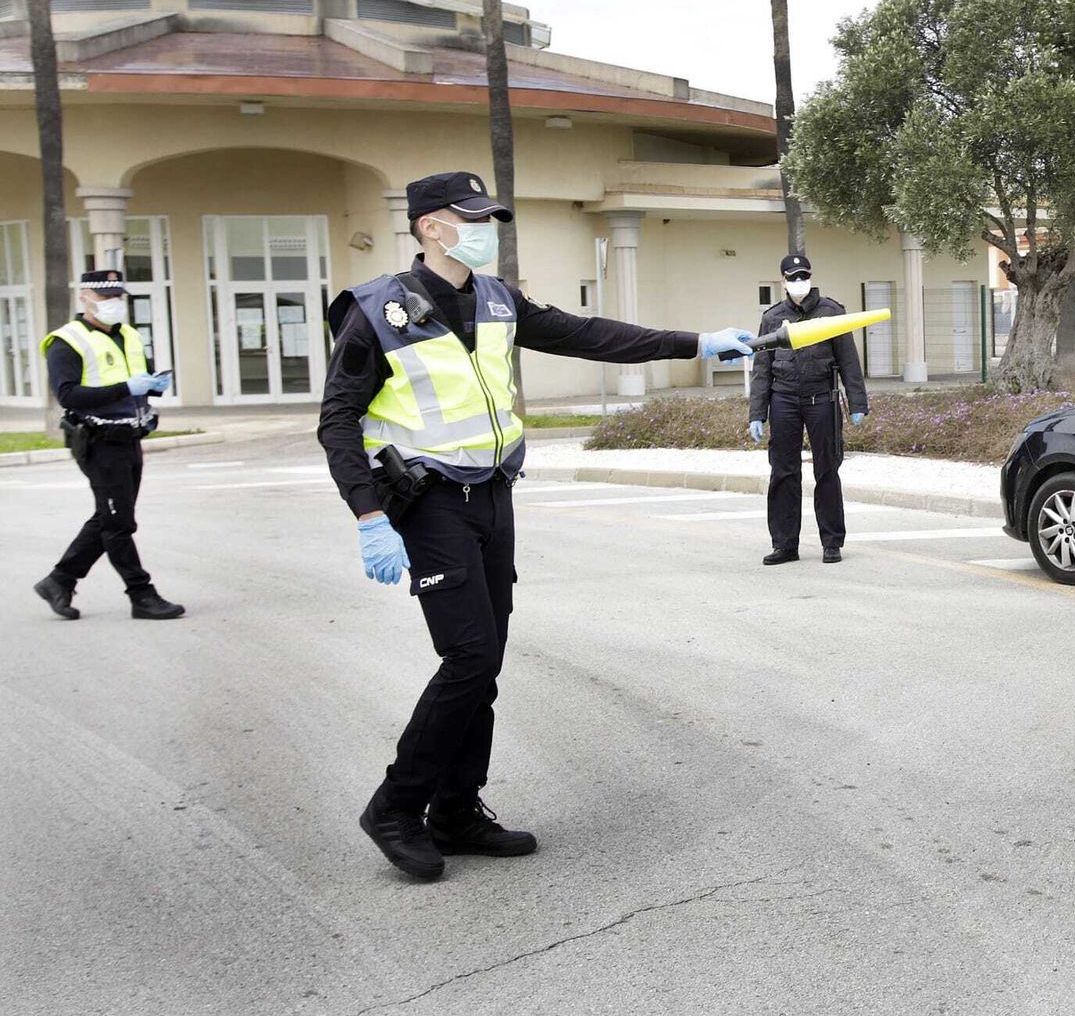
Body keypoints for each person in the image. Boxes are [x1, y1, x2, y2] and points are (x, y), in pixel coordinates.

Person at [319, 171, 752, 881]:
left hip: (492, 497)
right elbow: (337, 419)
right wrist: (369, 514)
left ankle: (456, 809)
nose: (487, 227)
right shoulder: (377, 310)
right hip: (427, 503)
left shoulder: (496, 299)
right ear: (430, 226)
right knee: (468, 658)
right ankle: (395, 805)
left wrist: (696, 342)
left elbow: (587, 334)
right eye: (472, 216)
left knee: (484, 663)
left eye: (489, 216)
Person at [32, 270, 184, 622]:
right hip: (97, 440)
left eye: (118, 297)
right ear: (84, 297)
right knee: (119, 523)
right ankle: (141, 594)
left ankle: (59, 580)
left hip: (129, 436)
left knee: (110, 516)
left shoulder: (128, 335)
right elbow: (68, 394)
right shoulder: (66, 341)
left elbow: (136, 379)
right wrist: (126, 389)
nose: (113, 304)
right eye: (105, 298)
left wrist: (153, 384)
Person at [747, 254, 869, 566]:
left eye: (803, 276)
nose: (799, 283)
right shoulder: (772, 317)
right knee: (784, 472)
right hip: (784, 400)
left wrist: (857, 403)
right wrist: (757, 413)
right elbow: (762, 368)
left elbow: (848, 361)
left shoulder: (831, 312)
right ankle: (785, 544)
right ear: (783, 281)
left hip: (821, 399)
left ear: (810, 277)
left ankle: (832, 543)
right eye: (793, 278)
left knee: (826, 470)